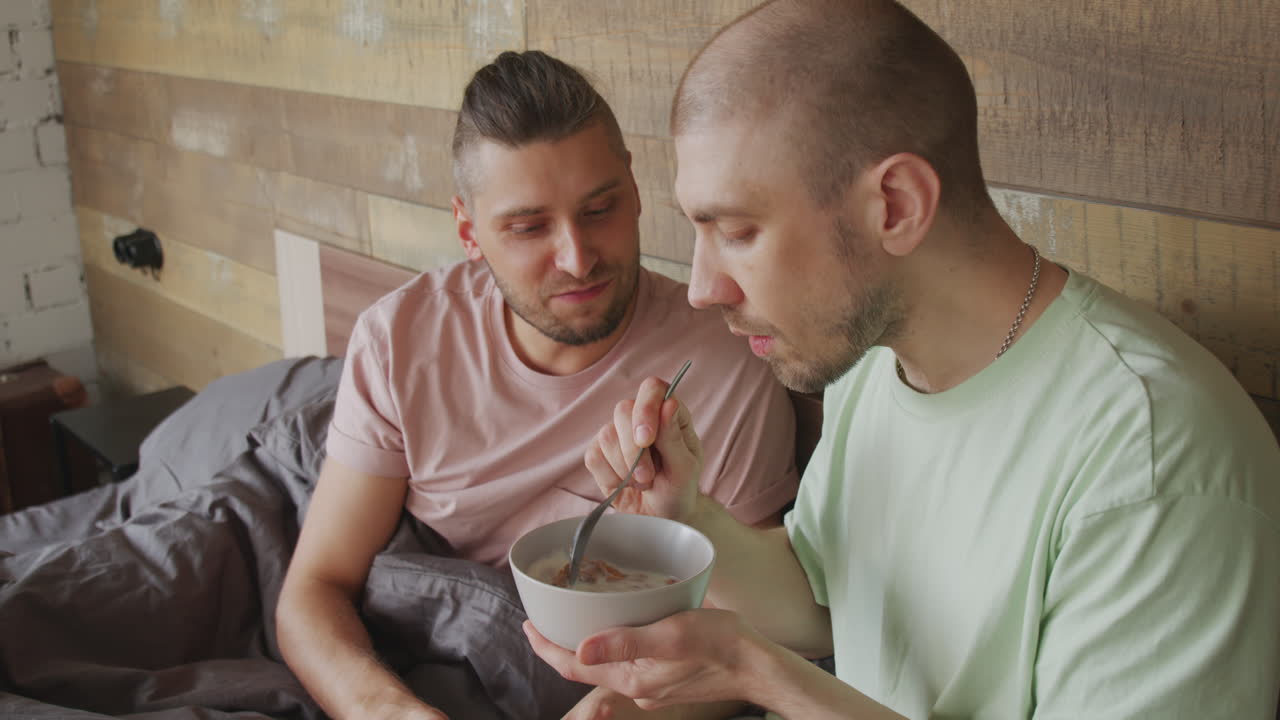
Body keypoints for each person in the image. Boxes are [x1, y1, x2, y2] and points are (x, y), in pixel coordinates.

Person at [525, 1, 1280, 718]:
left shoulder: (1152, 460)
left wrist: (757, 675)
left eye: (738, 231)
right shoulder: (874, 362)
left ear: (895, 206)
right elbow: (830, 605)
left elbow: (793, 654)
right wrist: (688, 522)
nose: (700, 288)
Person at [275, 50, 801, 720]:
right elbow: (315, 587)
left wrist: (613, 711)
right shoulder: (399, 339)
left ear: (636, 192)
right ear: (469, 231)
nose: (578, 257)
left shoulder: (723, 368)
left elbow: (753, 635)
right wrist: (391, 713)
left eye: (600, 209)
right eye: (528, 227)